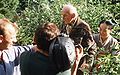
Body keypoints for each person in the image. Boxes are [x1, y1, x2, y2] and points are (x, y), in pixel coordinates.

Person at [61, 4, 97, 75]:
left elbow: (85, 47)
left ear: (73, 16)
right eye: (62, 15)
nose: (63, 18)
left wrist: (87, 65)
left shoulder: (83, 27)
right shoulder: (66, 22)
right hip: (71, 56)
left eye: (65, 15)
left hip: (83, 57)